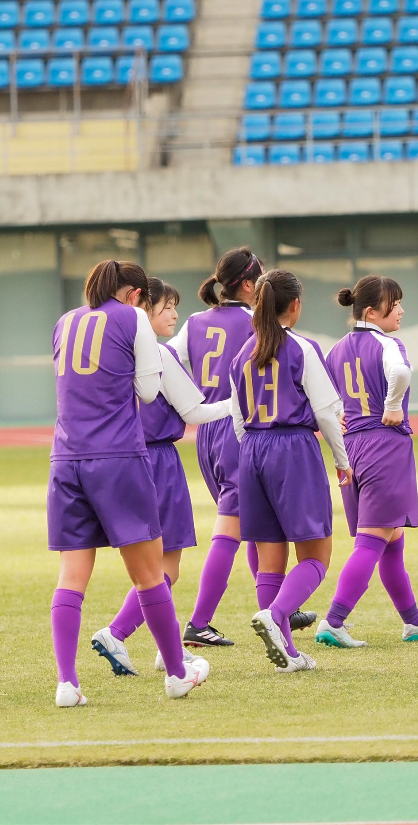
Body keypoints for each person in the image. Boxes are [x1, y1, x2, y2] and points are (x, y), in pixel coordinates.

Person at [48, 260, 209, 707]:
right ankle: (177, 673)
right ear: (136, 295)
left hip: (66, 458)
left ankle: (67, 683)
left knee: (71, 578)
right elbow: (149, 392)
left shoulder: (65, 321)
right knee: (150, 574)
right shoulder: (133, 317)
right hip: (118, 457)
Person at [170, 248, 315, 646]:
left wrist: (191, 401)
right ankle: (200, 621)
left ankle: (275, 607)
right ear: (249, 285)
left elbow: (169, 360)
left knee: (253, 524)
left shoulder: (195, 321)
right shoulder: (256, 321)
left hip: (206, 433)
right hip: (239, 427)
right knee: (232, 527)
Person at [91, 278, 232, 677]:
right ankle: (117, 633)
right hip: (158, 463)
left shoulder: (111, 353)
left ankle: (164, 647)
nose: (174, 314)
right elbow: (195, 412)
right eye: (166, 306)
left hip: (120, 462)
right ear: (142, 310)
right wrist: (240, 404)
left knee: (147, 565)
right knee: (165, 567)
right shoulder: (159, 354)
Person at [230, 269, 350, 674]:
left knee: (270, 559)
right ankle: (276, 614)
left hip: (252, 451)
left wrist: (255, 454)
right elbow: (327, 414)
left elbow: (237, 418)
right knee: (317, 556)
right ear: (295, 305)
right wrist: (342, 461)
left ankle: (288, 653)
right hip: (293, 449)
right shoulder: (302, 347)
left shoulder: (242, 354)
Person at [318, 275, 418, 649]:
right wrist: (392, 406)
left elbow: (326, 401)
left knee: (391, 542)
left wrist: (339, 421)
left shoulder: (336, 350)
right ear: (372, 312)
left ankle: (413, 622)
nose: (401, 310)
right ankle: (334, 621)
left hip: (353, 447)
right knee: (372, 542)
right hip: (384, 446)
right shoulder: (388, 344)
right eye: (395, 303)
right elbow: (401, 373)